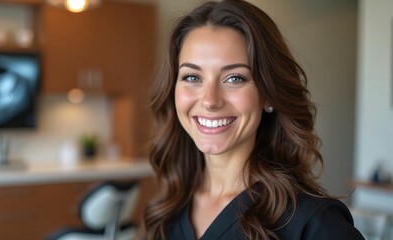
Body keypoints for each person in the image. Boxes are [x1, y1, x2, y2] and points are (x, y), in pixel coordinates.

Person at [143, 0, 365, 239]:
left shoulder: (313, 222)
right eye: (192, 77)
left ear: (268, 94)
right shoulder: (169, 208)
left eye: (235, 78)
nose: (209, 100)